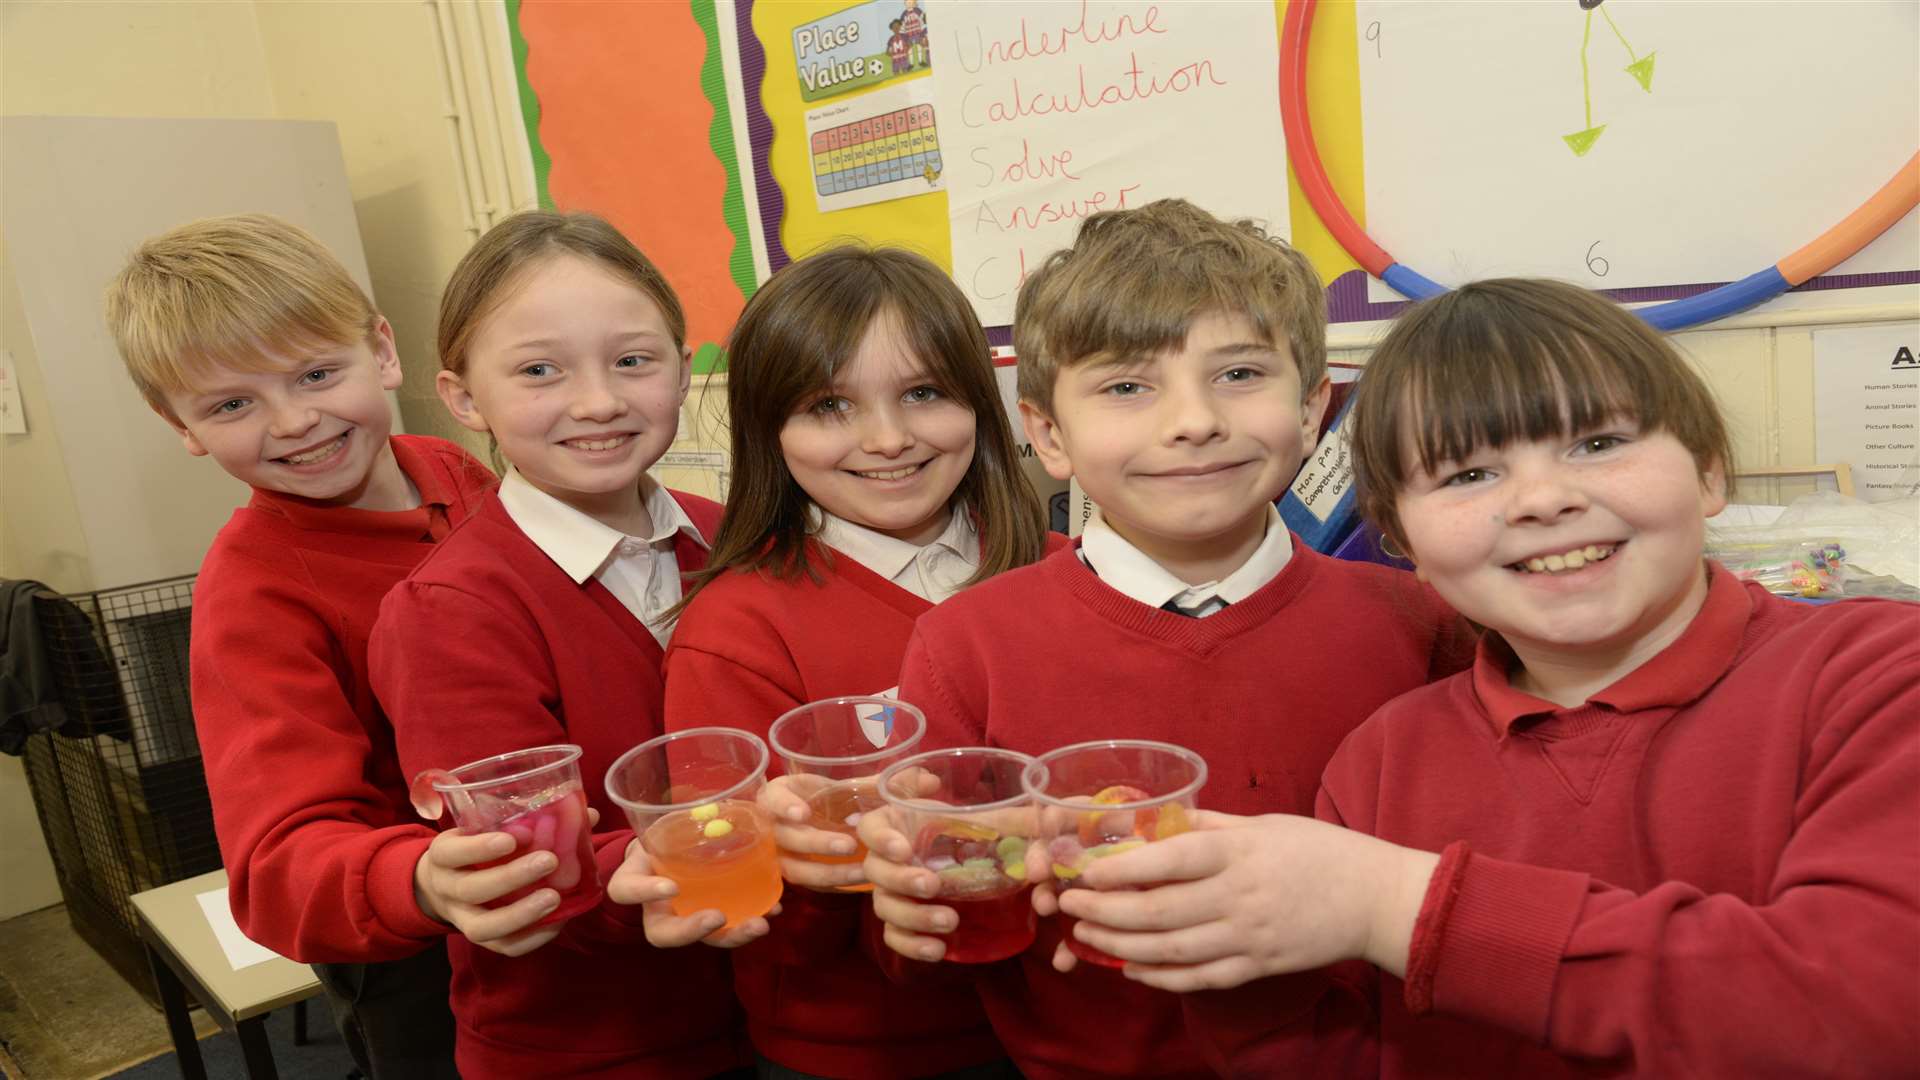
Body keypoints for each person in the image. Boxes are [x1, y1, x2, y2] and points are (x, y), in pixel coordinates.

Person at [1055, 278, 1920, 1077]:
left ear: (1709, 472)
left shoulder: (1877, 675)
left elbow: (1869, 1015)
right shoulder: (1385, 760)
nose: (1541, 500)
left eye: (1597, 442)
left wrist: (1396, 903)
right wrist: (1227, 957)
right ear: (1406, 550)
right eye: (1469, 474)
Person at [856, 199, 1471, 1080]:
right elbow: (936, 913)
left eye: (1238, 375)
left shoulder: (1421, 623)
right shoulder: (965, 645)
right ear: (1049, 435)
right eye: (1127, 386)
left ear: (1311, 411)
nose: (1191, 421)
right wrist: (914, 910)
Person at [102, 214, 536, 1079]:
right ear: (180, 425)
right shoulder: (252, 593)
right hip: (418, 952)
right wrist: (418, 882)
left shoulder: (456, 471)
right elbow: (274, 866)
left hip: (545, 875)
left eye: (315, 373)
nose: (295, 421)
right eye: (232, 404)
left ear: (381, 352)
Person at [369, 210, 754, 1078]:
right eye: (540, 370)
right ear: (465, 398)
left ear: (684, 368)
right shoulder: (451, 610)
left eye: (633, 360)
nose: (599, 401)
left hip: (761, 1004)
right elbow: (526, 859)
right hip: (592, 1045)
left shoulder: (731, 542)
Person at [663, 245, 1055, 1078]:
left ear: (981, 404)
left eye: (924, 393)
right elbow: (737, 895)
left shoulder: (1063, 571)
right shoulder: (738, 627)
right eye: (830, 404)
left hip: (1072, 1018)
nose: (888, 439)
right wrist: (798, 850)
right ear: (770, 429)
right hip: (870, 1048)